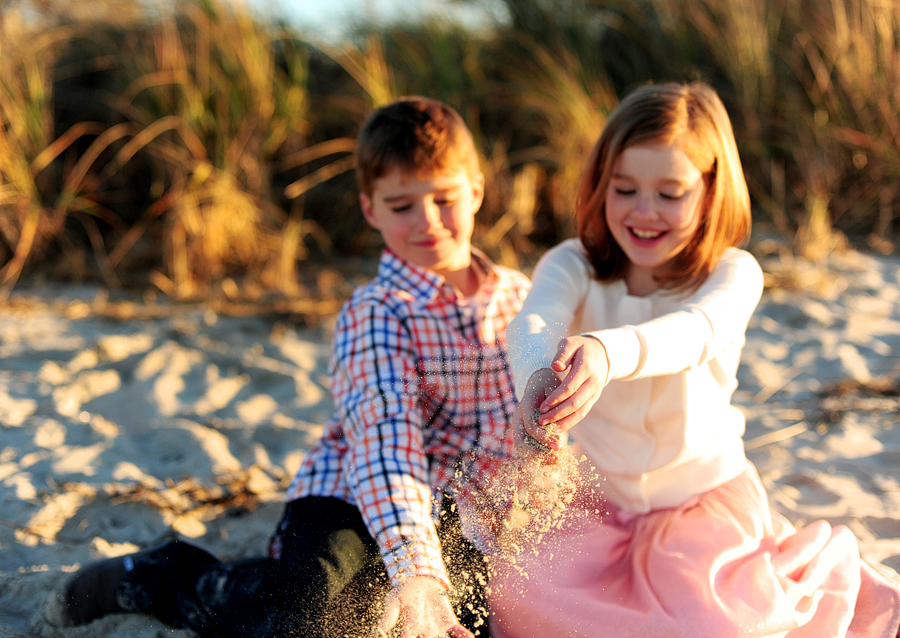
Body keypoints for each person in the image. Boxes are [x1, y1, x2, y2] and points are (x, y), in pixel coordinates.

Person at [43, 96, 530, 638]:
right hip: (352, 496)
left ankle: (335, 579)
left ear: (477, 190)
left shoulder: (521, 299)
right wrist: (416, 571)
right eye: (401, 206)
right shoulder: (377, 311)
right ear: (370, 208)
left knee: (475, 622)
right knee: (316, 623)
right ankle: (169, 577)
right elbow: (386, 447)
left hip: (456, 511)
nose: (428, 222)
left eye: (444, 198)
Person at [487, 82, 900, 638]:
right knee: (518, 600)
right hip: (599, 508)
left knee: (713, 627)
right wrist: (539, 373)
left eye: (671, 193)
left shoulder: (732, 272)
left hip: (699, 510)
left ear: (710, 193)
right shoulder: (574, 263)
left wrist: (608, 352)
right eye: (624, 188)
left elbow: (694, 333)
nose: (644, 212)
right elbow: (534, 321)